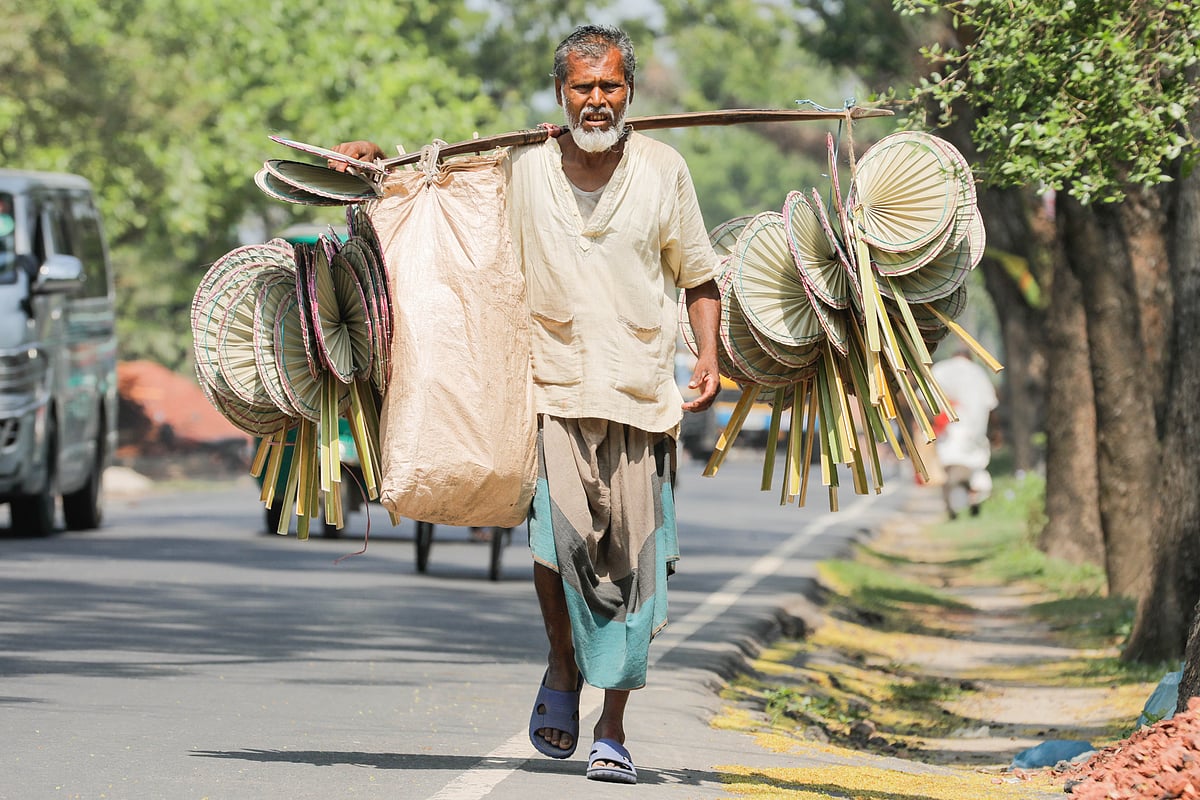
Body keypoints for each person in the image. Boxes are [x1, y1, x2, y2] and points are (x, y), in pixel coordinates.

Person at [331, 25, 721, 785]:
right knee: (556, 547)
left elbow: (698, 275)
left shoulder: (665, 170)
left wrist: (705, 354)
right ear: (560, 94)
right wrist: (378, 159)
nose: (598, 101)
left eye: (610, 86)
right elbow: (436, 188)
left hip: (640, 396)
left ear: (630, 91)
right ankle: (562, 664)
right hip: (547, 387)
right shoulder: (521, 166)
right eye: (584, 87)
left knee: (633, 571)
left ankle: (612, 728)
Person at [930, 348, 998, 519]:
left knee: (950, 473)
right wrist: (995, 432)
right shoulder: (978, 373)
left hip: (948, 432)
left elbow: (924, 401)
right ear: (970, 358)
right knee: (975, 470)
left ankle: (952, 506)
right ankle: (973, 498)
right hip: (975, 434)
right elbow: (991, 405)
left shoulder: (940, 370)